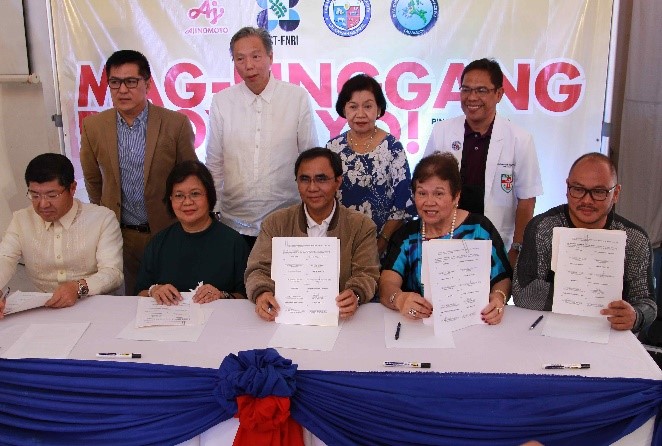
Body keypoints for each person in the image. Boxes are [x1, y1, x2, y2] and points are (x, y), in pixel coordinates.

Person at [80, 49, 197, 295]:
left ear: (147, 83)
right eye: (115, 82)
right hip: (121, 234)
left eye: (131, 81)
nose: (123, 90)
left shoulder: (175, 124)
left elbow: (190, 176)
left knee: (176, 297)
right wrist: (106, 214)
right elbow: (92, 178)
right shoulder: (94, 127)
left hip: (168, 230)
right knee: (133, 299)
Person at [513, 153, 657, 332]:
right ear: (567, 188)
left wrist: (636, 315)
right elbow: (523, 293)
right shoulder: (543, 228)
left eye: (598, 192)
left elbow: (647, 303)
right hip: (549, 331)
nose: (586, 200)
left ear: (616, 193)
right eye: (578, 189)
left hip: (609, 334)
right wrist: (589, 297)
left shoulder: (634, 239)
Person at [206, 26, 319, 249]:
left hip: (287, 224)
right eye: (240, 59)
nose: (249, 66)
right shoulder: (222, 101)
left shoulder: (296, 98)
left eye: (256, 56)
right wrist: (213, 210)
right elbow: (214, 164)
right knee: (236, 285)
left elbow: (310, 159)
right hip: (232, 224)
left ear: (270, 57)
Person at [423, 58, 543, 267]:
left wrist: (517, 248)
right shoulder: (441, 132)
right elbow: (425, 186)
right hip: (446, 239)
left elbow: (526, 200)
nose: (472, 98)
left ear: (499, 94)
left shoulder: (519, 139)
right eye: (466, 90)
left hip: (495, 244)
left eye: (481, 91)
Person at [245, 147, 380, 321]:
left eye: (321, 179)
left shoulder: (361, 226)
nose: (312, 188)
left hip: (341, 320)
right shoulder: (276, 223)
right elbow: (256, 270)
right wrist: (262, 293)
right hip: (282, 316)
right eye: (304, 179)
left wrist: (355, 294)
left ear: (338, 181)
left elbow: (367, 274)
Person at [380, 152, 512, 325]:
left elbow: (502, 278)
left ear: (456, 196)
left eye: (439, 194)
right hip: (419, 326)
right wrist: (399, 299)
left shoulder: (479, 229)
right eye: (422, 193)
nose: (429, 202)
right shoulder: (407, 235)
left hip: (474, 324)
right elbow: (387, 283)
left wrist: (498, 297)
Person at [0, 154, 123, 317]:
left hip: (94, 308)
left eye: (52, 195)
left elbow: (113, 273)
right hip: (42, 310)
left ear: (72, 188)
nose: (43, 204)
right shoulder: (21, 219)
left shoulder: (101, 219)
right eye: (35, 195)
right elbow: (5, 258)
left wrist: (78, 287)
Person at [136, 161, 248, 304]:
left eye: (195, 194)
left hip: (219, 322)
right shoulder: (158, 242)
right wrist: (154, 291)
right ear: (170, 199)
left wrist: (222, 295)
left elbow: (247, 298)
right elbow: (139, 292)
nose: (187, 202)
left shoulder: (234, 243)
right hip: (168, 323)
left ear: (209, 196)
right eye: (179, 195)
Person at [326, 74, 414, 256]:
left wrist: (382, 241)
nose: (360, 114)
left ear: (379, 109)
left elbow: (403, 203)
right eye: (353, 106)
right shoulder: (333, 148)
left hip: (385, 245)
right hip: (340, 244)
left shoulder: (393, 148)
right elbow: (325, 196)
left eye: (367, 106)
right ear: (344, 109)